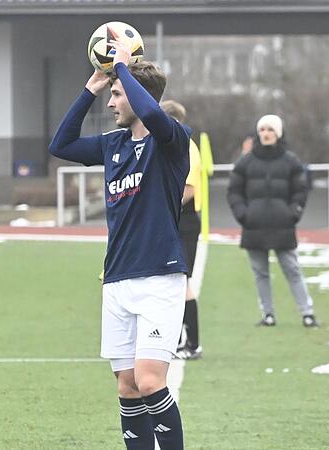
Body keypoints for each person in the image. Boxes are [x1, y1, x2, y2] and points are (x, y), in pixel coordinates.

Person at [48, 40, 189, 449]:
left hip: (160, 278)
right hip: (117, 280)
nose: (110, 104)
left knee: (149, 381)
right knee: (128, 388)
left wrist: (124, 69)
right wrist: (91, 88)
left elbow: (152, 115)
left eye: (116, 95)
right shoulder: (113, 145)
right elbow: (61, 145)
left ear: (139, 97)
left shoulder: (172, 140)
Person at [226, 114, 318, 328]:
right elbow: (234, 192)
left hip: (282, 226)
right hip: (254, 227)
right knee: (260, 274)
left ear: (278, 133)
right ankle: (268, 314)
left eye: (270, 129)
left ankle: (307, 313)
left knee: (292, 269)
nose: (266, 134)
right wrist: (243, 215)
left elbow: (301, 190)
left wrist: (293, 213)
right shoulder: (245, 162)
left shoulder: (291, 161)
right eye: (263, 130)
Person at [160, 99, 204, 360]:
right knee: (169, 282)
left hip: (183, 221)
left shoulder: (186, 146)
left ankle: (193, 343)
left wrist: (163, 208)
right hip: (174, 219)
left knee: (181, 282)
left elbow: (188, 188)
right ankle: (174, 339)